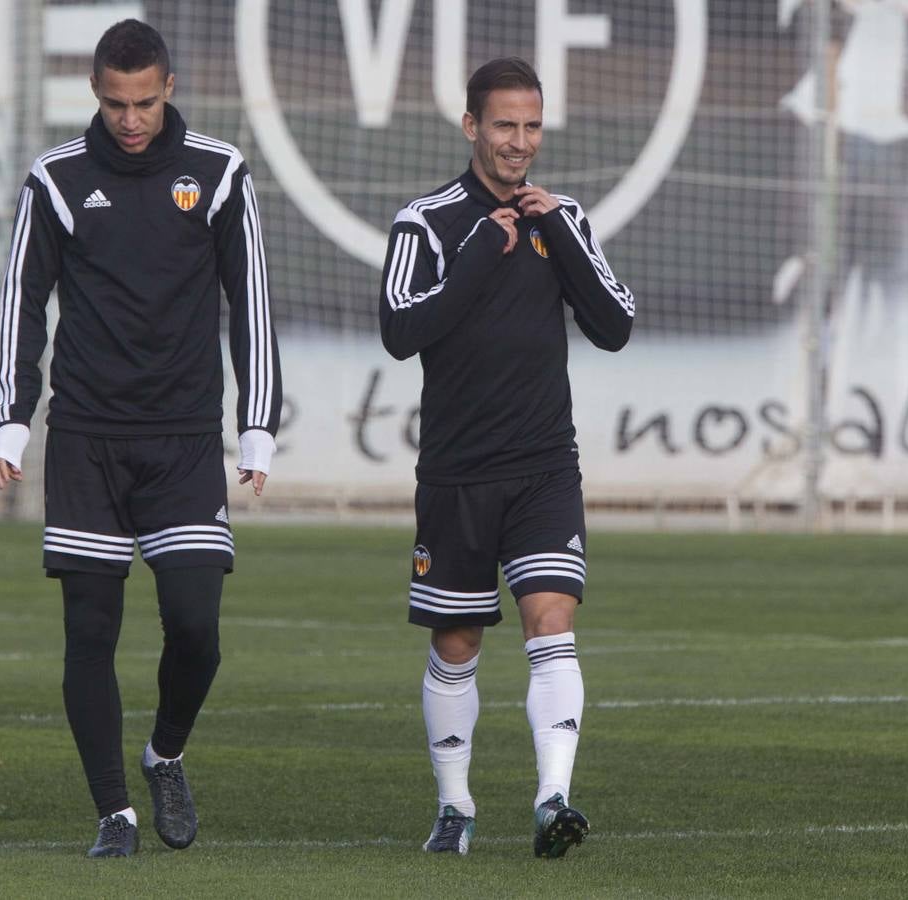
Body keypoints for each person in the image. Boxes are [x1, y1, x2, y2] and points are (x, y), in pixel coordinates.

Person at [0, 18, 281, 859]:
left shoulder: (219, 175)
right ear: (96, 93)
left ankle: (165, 753)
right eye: (115, 103)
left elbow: (251, 303)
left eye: (145, 101)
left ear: (170, 88)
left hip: (184, 440)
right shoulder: (56, 180)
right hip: (84, 438)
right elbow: (23, 303)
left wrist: (257, 426)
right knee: (91, 631)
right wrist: (11, 413)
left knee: (196, 628)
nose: (131, 118)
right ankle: (112, 811)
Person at [377, 57, 636, 858]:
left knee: (550, 622)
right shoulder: (425, 222)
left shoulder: (566, 220)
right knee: (456, 646)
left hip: (544, 467)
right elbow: (401, 331)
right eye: (503, 126)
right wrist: (485, 252)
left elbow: (614, 324)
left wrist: (553, 227)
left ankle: (553, 797)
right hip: (456, 475)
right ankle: (454, 808)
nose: (518, 142)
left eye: (530, 126)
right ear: (471, 127)